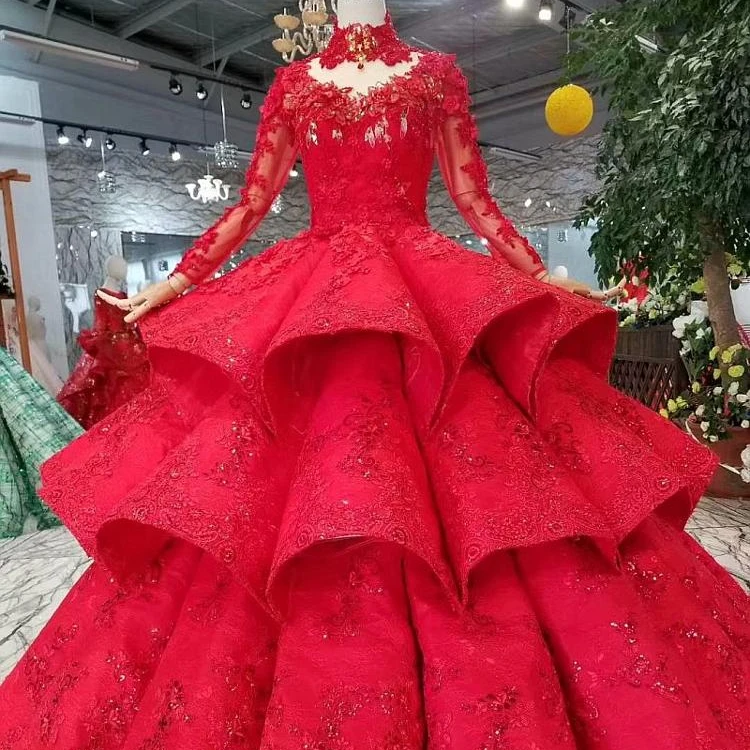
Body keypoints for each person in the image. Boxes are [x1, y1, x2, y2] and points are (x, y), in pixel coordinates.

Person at [0, 5, 747, 748]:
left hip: (420, 287)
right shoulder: (295, 84)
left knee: (491, 476)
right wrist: (177, 281)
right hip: (320, 296)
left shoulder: (434, 74)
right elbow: (254, 202)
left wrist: (541, 275)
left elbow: (472, 199)